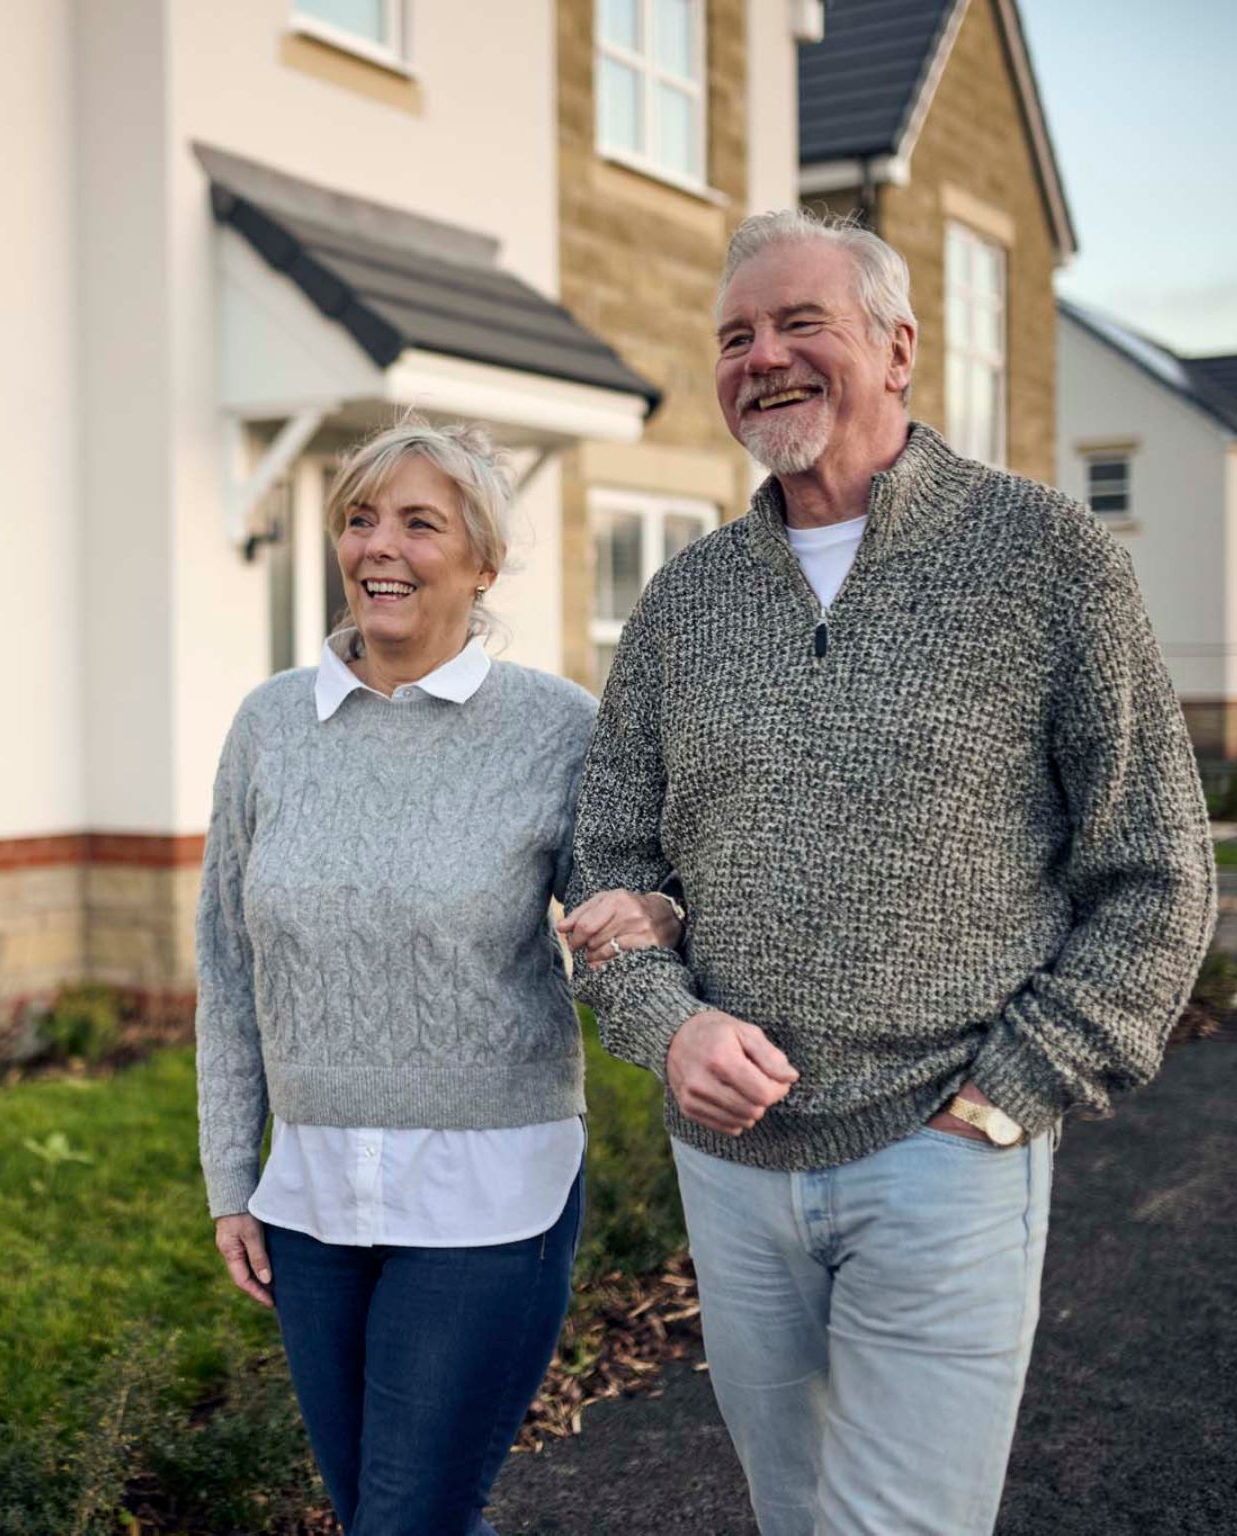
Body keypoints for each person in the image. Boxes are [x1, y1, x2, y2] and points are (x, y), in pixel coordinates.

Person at [563, 208, 1218, 1536]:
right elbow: (606, 861)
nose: (764, 358)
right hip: (731, 1165)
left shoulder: (1047, 564)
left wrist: (1006, 1098)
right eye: (736, 336)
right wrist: (666, 1025)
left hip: (947, 1149)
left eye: (802, 323)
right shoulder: (686, 605)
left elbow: (1157, 870)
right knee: (795, 1516)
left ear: (898, 347)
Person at [194, 417, 679, 1535]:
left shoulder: (557, 728)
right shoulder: (268, 727)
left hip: (487, 1192)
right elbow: (226, 964)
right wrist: (232, 1173)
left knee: (405, 1516)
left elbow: (631, 904)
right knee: (383, 1507)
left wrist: (655, 914)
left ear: (483, 564)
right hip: (310, 1196)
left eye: (420, 523)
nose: (381, 548)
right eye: (359, 519)